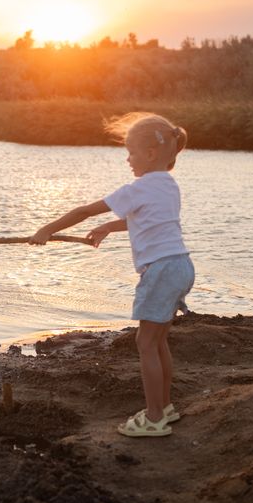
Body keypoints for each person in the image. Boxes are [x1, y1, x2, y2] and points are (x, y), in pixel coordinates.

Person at [29, 113, 195, 438]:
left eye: (131, 152)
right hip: (180, 266)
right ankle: (165, 407)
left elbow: (84, 211)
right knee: (158, 341)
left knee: (145, 343)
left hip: (159, 271)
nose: (127, 158)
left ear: (149, 154)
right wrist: (110, 227)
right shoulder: (168, 186)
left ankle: (154, 418)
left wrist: (46, 229)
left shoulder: (138, 187)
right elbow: (149, 220)